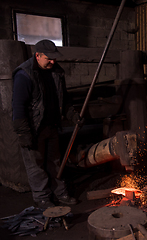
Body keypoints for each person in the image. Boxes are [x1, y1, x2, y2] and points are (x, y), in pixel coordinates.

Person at [12, 39, 82, 209]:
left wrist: (73, 115)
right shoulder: (24, 75)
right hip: (34, 129)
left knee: (55, 162)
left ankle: (60, 192)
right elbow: (18, 106)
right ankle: (42, 198)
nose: (53, 61)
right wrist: (23, 133)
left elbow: (63, 99)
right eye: (49, 58)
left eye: (54, 58)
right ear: (38, 55)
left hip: (51, 126)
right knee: (36, 166)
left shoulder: (57, 72)